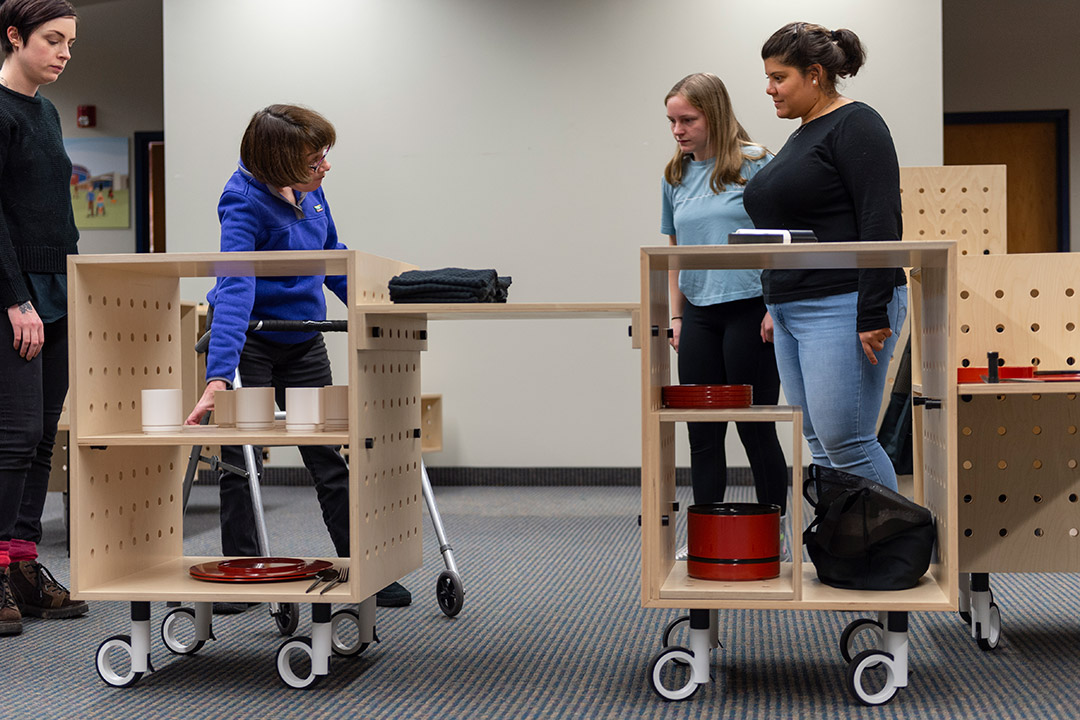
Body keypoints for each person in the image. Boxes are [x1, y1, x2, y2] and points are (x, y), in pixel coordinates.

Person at [184, 104, 411, 609]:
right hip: (254, 341)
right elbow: (235, 284)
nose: (325, 167)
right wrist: (219, 376)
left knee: (327, 455)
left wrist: (378, 307)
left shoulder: (310, 191)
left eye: (323, 157)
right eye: (316, 160)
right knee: (241, 458)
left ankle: (364, 568)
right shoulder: (240, 200)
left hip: (303, 340)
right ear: (281, 162)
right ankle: (240, 571)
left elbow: (332, 258)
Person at [743, 22, 908, 491]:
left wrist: (873, 309)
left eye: (779, 77)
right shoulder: (802, 135)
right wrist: (772, 302)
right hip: (791, 306)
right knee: (820, 441)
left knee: (848, 441)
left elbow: (880, 219)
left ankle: (889, 559)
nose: (769, 88)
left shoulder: (856, 123)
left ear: (815, 73)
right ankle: (848, 557)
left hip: (845, 301)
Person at [661, 73, 789, 531]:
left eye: (688, 120)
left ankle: (771, 533)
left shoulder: (757, 164)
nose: (678, 130)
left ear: (714, 114)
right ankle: (708, 536)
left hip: (751, 308)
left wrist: (777, 307)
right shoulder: (675, 174)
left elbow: (783, 244)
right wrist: (675, 315)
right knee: (702, 433)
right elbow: (673, 253)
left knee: (755, 428)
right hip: (698, 313)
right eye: (672, 121)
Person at [0, 0, 86, 637]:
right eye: (52, 40)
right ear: (14, 37)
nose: (62, 52)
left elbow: (57, 213)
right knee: (14, 432)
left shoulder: (49, 113)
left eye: (69, 43)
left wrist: (74, 281)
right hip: (13, 295)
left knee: (41, 435)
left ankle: (25, 565)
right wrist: (15, 299)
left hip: (55, 288)